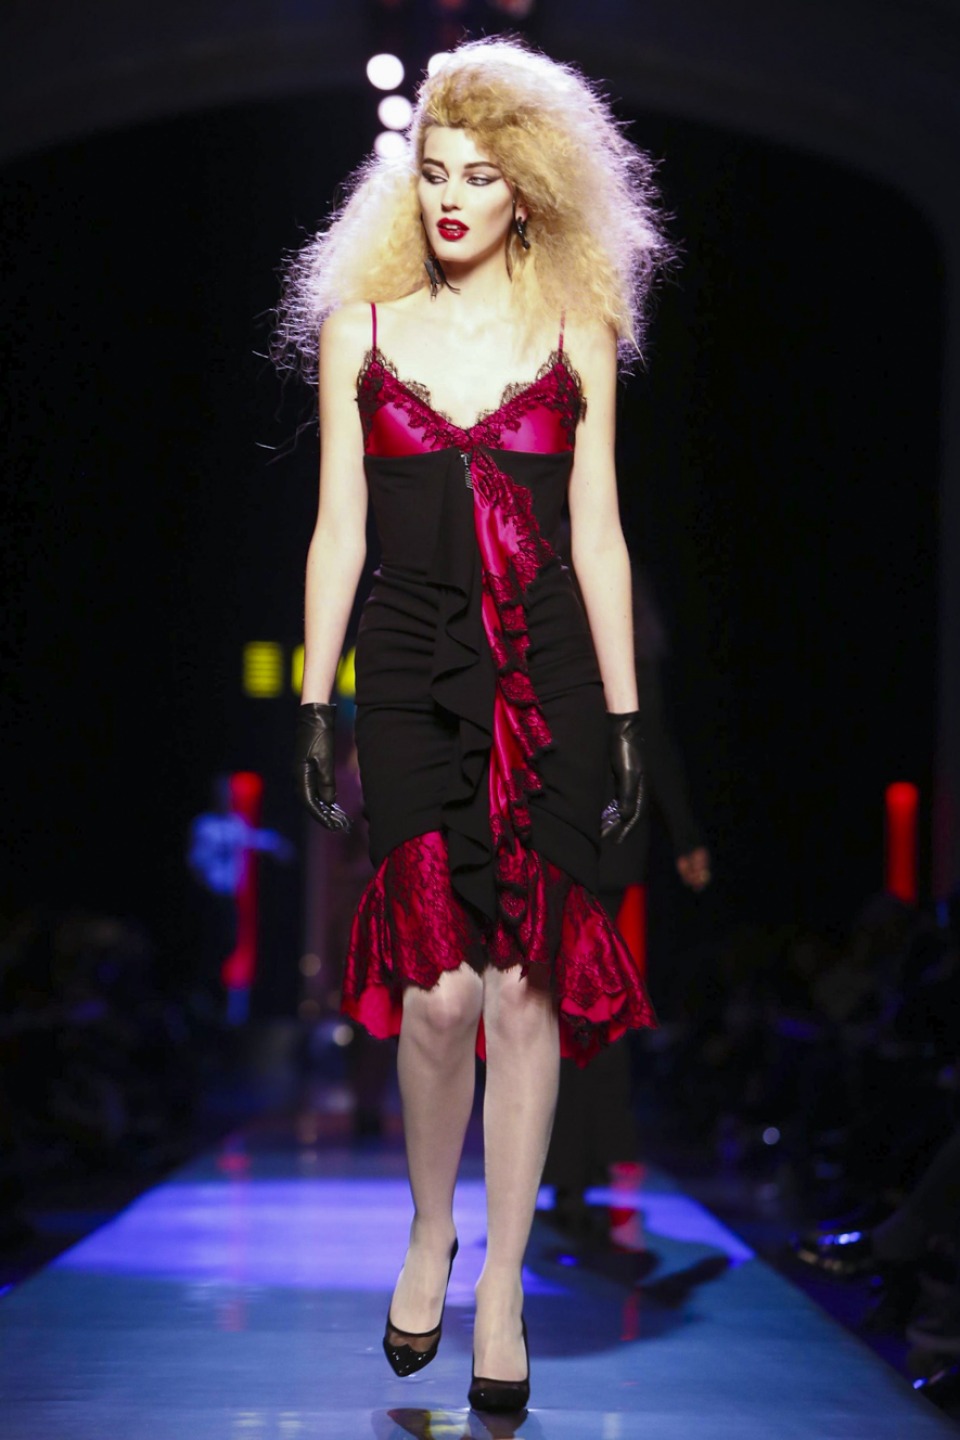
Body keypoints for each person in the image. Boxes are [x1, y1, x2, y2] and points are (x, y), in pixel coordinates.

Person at [277, 37, 670, 1413]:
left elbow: (599, 534)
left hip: (547, 671)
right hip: (405, 664)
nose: (452, 198)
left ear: (530, 188)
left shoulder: (577, 336)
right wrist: (312, 698)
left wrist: (626, 720)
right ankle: (430, 1229)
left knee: (526, 985)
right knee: (437, 992)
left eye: (480, 176)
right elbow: (337, 527)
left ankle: (501, 1284)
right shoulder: (360, 331)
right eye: (435, 173)